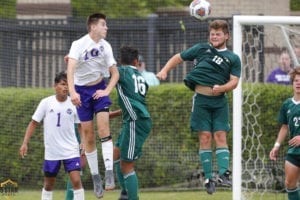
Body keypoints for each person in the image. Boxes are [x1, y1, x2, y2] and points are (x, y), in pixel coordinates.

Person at [156, 19, 241, 195]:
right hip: (201, 100)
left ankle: (224, 174)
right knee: (204, 137)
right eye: (212, 34)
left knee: (220, 135)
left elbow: (234, 81)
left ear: (227, 36)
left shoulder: (233, 58)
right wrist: (164, 70)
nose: (215, 36)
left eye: (218, 34)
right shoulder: (201, 48)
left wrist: (222, 88)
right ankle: (209, 178)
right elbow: (177, 58)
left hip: (219, 101)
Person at [66, 12, 119, 198]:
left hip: (98, 89)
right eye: (103, 24)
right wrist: (72, 92)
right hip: (81, 92)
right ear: (93, 26)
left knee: (104, 129)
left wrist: (106, 91)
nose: (107, 28)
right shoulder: (78, 45)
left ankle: (110, 173)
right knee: (88, 136)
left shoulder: (106, 46)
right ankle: (96, 177)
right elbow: (70, 69)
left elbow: (115, 73)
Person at [19, 71, 85, 200]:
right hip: (52, 151)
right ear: (55, 86)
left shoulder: (74, 103)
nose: (65, 87)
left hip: (71, 150)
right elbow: (33, 123)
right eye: (63, 84)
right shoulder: (46, 102)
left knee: (76, 181)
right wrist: (25, 143)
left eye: (68, 85)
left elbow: (80, 125)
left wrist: (83, 141)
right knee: (49, 185)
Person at [113, 46, 152, 200]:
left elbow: (104, 71)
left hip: (136, 122)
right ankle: (125, 192)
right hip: (133, 120)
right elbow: (132, 103)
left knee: (127, 164)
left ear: (120, 61)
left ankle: (130, 196)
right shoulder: (141, 77)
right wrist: (113, 114)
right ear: (136, 62)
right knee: (116, 153)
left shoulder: (121, 72)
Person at [269, 68, 300, 200]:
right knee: (289, 184)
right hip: (294, 151)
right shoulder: (287, 104)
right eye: (296, 80)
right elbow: (284, 127)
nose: (298, 83)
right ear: (292, 83)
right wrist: (276, 145)